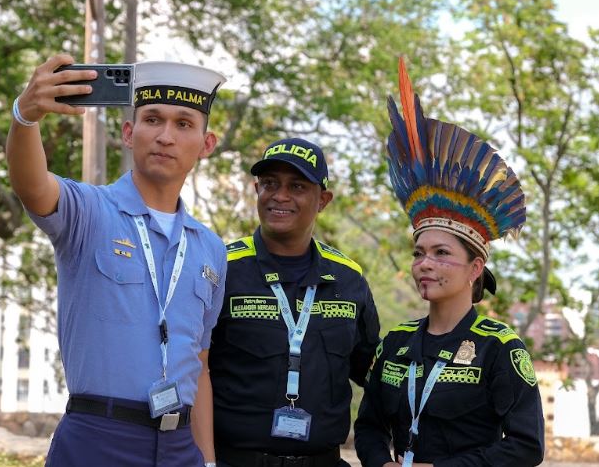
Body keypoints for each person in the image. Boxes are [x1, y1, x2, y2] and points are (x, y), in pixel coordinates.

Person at [5, 53, 228, 467]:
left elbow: (199, 363)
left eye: (183, 124)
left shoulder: (210, 248)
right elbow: (32, 186)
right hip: (97, 438)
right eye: (152, 120)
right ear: (129, 132)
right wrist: (25, 116)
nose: (165, 136)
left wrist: (208, 460)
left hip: (180, 448)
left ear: (206, 144)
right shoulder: (90, 211)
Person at [353, 58, 545, 467]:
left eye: (442, 254)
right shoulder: (396, 343)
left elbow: (526, 445)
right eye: (419, 253)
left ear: (475, 269)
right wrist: (380, 463)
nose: (426, 264)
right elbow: (369, 426)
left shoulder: (500, 348)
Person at [208, 137, 381, 467]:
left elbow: (373, 374)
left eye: (297, 186)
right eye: (270, 183)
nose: (280, 196)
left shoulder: (348, 279)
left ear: (323, 200)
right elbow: (192, 371)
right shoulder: (222, 268)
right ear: (256, 189)